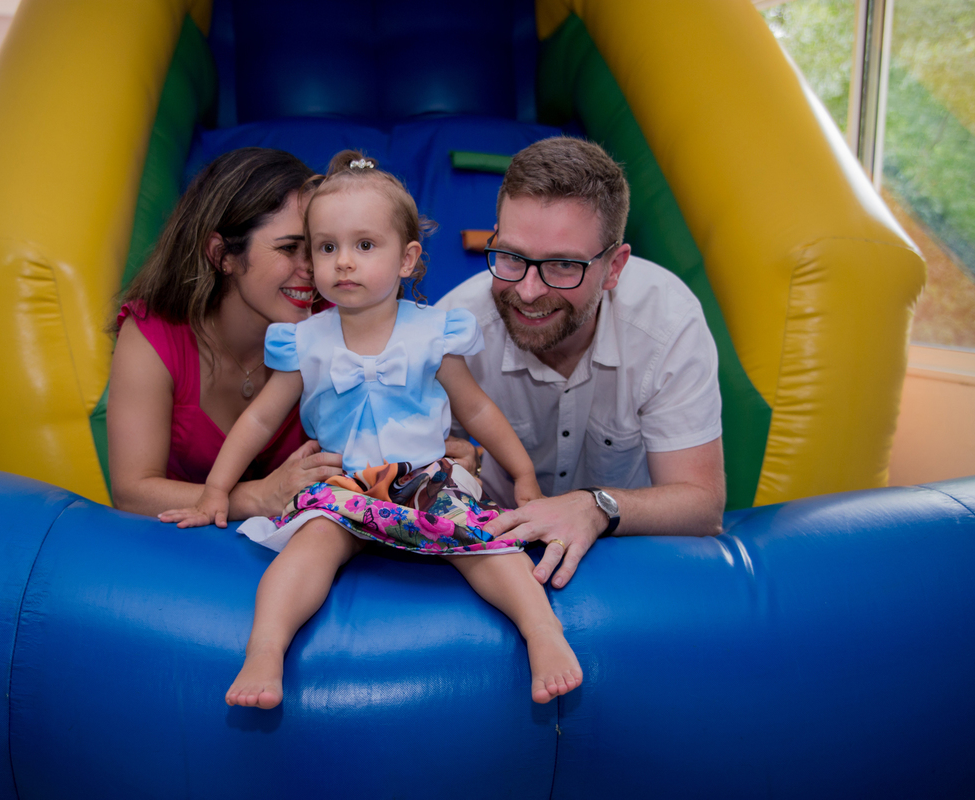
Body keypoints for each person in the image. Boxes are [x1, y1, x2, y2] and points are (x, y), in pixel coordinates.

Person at [161, 150, 584, 709]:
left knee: (489, 547)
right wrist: (216, 490)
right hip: (347, 485)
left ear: (407, 258)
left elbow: (477, 411)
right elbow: (260, 419)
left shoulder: (433, 332)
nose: (344, 263)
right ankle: (264, 651)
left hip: (427, 479)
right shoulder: (305, 340)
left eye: (365, 245)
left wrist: (523, 472)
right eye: (327, 247)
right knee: (306, 550)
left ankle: (543, 634)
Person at [438, 136, 726, 590]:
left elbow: (703, 505)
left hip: (625, 549)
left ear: (614, 266)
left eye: (563, 266)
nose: (529, 291)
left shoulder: (668, 324)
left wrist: (595, 507)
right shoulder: (455, 331)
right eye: (512, 256)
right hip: (497, 550)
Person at [107, 147, 344, 519]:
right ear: (222, 255)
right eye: (290, 248)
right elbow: (132, 492)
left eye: (318, 247)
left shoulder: (337, 321)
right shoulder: (155, 337)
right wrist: (257, 497)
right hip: (184, 554)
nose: (312, 268)